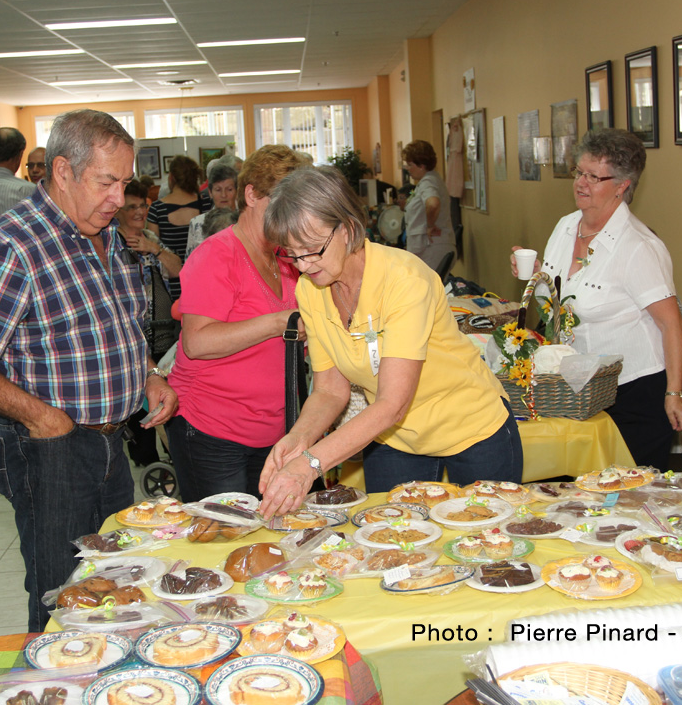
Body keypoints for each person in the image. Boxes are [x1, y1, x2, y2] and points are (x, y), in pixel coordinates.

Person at [0, 109, 178, 632]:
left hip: (111, 442)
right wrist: (42, 418)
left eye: (125, 183)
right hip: (52, 450)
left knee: (111, 579)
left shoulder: (102, 233)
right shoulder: (16, 245)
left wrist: (149, 372)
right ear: (62, 172)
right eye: (107, 182)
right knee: (63, 594)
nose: (119, 198)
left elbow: (122, 323)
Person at [257, 166, 522, 517]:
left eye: (311, 249)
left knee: (483, 546)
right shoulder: (311, 290)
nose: (303, 266)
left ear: (349, 228)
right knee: (391, 548)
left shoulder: (405, 279)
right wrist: (299, 439)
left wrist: (310, 464)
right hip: (395, 438)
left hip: (472, 429)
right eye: (291, 254)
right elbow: (330, 390)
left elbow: (392, 403)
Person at [510, 128, 682, 469]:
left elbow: (671, 324)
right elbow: (558, 303)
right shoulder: (565, 227)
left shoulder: (639, 247)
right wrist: (536, 272)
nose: (581, 183)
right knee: (582, 494)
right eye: (579, 172)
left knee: (628, 497)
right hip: (580, 386)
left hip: (633, 393)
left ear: (622, 186)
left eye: (594, 176)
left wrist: (674, 393)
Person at [165, 145, 306, 502]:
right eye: (284, 200)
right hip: (212, 431)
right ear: (252, 194)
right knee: (222, 542)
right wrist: (279, 323)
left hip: (272, 430)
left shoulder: (283, 257)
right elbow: (198, 342)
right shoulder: (216, 255)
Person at [117, 179, 181, 360]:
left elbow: (178, 270)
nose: (140, 212)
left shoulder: (150, 236)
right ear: (118, 211)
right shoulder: (112, 242)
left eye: (143, 206)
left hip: (163, 333)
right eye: (132, 207)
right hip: (132, 335)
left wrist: (154, 248)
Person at [146, 155, 209, 299]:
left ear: (171, 177)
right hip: (201, 282)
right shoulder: (205, 204)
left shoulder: (157, 209)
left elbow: (153, 246)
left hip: (171, 286)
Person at [402, 139, 455, 271]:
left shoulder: (428, 182)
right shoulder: (430, 180)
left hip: (431, 247)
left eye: (410, 165)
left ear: (422, 165)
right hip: (429, 247)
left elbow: (433, 203)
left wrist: (430, 226)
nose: (408, 169)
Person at [185, 163, 237, 256]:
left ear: (237, 191)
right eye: (218, 190)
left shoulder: (245, 220)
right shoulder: (197, 223)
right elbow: (190, 262)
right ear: (210, 193)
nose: (223, 195)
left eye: (229, 189)